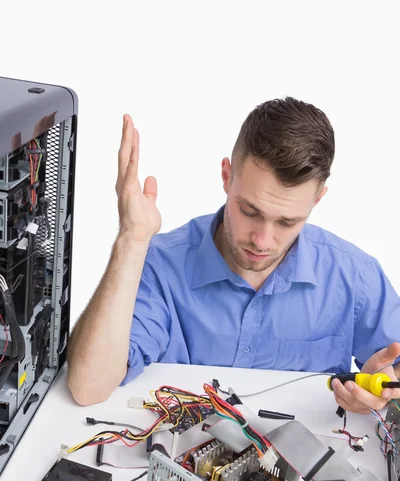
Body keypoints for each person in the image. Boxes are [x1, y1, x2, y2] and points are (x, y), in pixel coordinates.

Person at [67, 97, 400, 414]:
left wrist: (386, 390)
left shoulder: (355, 276)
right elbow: (88, 386)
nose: (262, 240)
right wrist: (131, 239)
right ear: (227, 177)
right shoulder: (159, 265)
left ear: (316, 201)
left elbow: (392, 370)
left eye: (287, 221)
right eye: (250, 210)